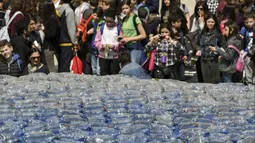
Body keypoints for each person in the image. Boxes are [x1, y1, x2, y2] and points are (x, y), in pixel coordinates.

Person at [196, 14, 225, 83]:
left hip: (215, 60)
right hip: (204, 60)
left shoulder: (218, 34)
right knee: (206, 80)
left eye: (212, 22)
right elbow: (197, 44)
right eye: (209, 22)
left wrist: (220, 52)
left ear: (215, 23)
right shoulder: (202, 33)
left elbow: (223, 45)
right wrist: (199, 50)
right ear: (206, 22)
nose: (210, 24)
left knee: (216, 80)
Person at [94, 9, 123, 75]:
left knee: (114, 73)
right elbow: (96, 41)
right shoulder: (101, 27)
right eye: (107, 21)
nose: (109, 23)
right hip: (103, 55)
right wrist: (102, 46)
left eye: (110, 21)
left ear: (114, 20)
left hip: (114, 56)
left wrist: (114, 46)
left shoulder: (118, 28)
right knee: (104, 74)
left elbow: (121, 42)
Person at [120, 0, 147, 65]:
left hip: (134, 46)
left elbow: (143, 35)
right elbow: (125, 33)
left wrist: (129, 39)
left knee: (133, 66)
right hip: (126, 47)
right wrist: (121, 37)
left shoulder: (135, 18)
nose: (124, 10)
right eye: (123, 9)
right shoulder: (124, 19)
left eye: (126, 8)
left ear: (131, 7)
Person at [58, 0, 77, 72]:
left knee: (61, 67)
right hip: (67, 42)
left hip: (59, 41)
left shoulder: (58, 10)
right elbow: (71, 29)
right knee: (66, 67)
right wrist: (75, 43)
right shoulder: (69, 11)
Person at [42, 1, 60, 72]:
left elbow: (52, 34)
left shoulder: (52, 19)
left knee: (51, 69)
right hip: (53, 46)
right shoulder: (54, 18)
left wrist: (44, 30)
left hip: (50, 47)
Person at [90, 7, 104, 75]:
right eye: (94, 15)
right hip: (92, 46)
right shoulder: (91, 22)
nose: (95, 17)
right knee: (93, 66)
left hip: (99, 47)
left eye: (98, 16)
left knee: (99, 67)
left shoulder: (103, 24)